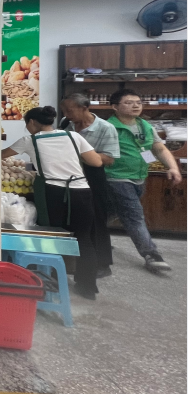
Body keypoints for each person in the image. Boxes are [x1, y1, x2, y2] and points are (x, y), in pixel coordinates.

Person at [3, 105, 103, 299]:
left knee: (51, 237)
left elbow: (1, 155)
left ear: (32, 122)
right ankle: (88, 287)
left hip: (53, 193)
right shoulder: (73, 136)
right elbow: (96, 161)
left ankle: (51, 282)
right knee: (84, 239)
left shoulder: (30, 140)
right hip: (81, 192)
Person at [105, 89, 182, 272]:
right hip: (116, 177)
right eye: (129, 102)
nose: (135, 106)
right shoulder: (108, 127)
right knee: (134, 216)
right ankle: (151, 255)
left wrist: (172, 167)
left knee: (110, 212)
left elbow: (159, 149)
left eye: (138, 102)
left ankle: (93, 237)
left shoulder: (144, 126)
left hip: (139, 176)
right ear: (115, 107)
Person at [60, 93, 120, 278]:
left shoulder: (105, 128)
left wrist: (82, 155)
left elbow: (109, 158)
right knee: (74, 219)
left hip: (93, 177)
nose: (66, 114)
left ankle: (103, 263)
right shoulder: (66, 124)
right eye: (64, 111)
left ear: (84, 108)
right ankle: (77, 260)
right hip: (69, 176)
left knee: (96, 220)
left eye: (70, 110)